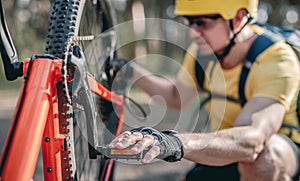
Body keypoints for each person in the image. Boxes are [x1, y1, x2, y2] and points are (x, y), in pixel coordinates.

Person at [109, 0, 300, 180]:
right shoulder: (204, 53)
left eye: (202, 22)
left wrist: (175, 142)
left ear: (238, 18)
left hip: (279, 149)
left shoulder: (277, 60)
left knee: (264, 158)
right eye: (189, 22)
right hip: (227, 147)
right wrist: (130, 71)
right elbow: (176, 97)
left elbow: (252, 140)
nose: (193, 33)